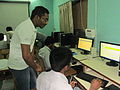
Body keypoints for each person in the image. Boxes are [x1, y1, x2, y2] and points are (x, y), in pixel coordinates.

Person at [8, 6, 49, 90]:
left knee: (34, 85)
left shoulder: (31, 27)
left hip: (26, 63)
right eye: (45, 19)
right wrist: (36, 66)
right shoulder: (26, 28)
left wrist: (34, 60)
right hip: (19, 65)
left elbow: (31, 48)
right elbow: (26, 55)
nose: (46, 22)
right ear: (37, 17)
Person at [37, 47, 102, 90]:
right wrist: (92, 88)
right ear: (66, 67)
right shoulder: (63, 87)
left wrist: (68, 86)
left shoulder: (41, 75)